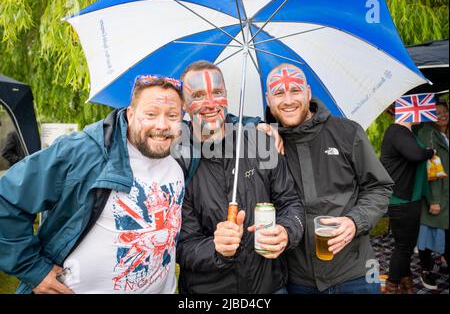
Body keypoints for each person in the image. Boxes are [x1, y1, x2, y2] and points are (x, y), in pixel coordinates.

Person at [0, 75, 186, 294]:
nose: (162, 125)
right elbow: (6, 200)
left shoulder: (179, 163)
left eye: (172, 115)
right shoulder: (82, 152)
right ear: (131, 114)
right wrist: (33, 269)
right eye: (151, 114)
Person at [176, 60, 305, 294]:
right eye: (198, 95)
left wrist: (287, 231)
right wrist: (215, 248)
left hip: (269, 287)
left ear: (227, 95)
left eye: (217, 92)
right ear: (184, 105)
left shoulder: (260, 143)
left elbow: (291, 203)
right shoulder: (177, 162)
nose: (210, 103)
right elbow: (181, 245)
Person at [265, 63, 394, 294]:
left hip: (356, 273)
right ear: (268, 99)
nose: (288, 100)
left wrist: (355, 221)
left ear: (308, 92)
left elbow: (379, 187)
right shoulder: (265, 144)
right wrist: (255, 127)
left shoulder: (348, 132)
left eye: (295, 90)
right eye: (278, 93)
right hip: (298, 280)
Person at [380, 105, 435, 294]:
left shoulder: (404, 132)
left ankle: (407, 285)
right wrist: (430, 152)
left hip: (405, 199)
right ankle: (391, 287)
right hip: (403, 200)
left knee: (402, 246)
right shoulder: (398, 131)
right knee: (404, 248)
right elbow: (416, 154)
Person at [416, 99, 449, 289]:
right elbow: (431, 169)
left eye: (445, 111)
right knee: (427, 234)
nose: (442, 115)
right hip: (436, 194)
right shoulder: (427, 133)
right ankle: (425, 271)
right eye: (437, 112)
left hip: (447, 192)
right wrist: (434, 200)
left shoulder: (445, 134)